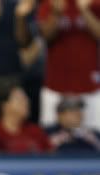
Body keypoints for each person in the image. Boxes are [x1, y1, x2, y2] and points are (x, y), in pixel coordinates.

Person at [38, 0, 100, 129]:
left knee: (94, 139)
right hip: (55, 86)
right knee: (51, 138)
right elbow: (46, 36)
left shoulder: (95, 4)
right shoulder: (50, 4)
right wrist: (56, 14)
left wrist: (84, 11)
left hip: (89, 87)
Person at [0, 85, 52, 153]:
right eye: (20, 99)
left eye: (26, 99)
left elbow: (52, 158)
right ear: (5, 106)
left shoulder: (36, 131)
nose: (26, 102)